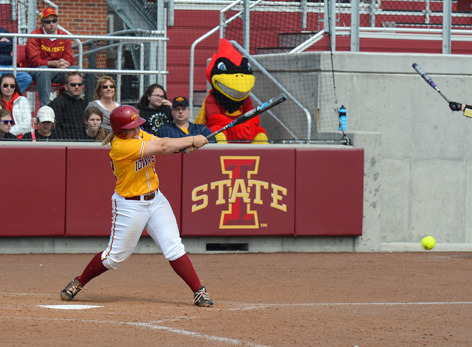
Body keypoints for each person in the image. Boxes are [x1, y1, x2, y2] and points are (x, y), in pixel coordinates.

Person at [59, 105, 213, 307]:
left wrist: (183, 146)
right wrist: (192, 139)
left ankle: (198, 291)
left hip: (156, 200)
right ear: (119, 131)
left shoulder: (139, 135)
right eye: (131, 128)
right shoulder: (121, 147)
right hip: (130, 206)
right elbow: (164, 147)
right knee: (114, 258)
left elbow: (161, 143)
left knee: (174, 247)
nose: (136, 130)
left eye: (136, 126)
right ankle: (79, 282)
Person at [25, 7, 75, 107]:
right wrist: (55, 63)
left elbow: (70, 58)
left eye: (54, 21)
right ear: (42, 23)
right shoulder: (35, 35)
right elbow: (35, 62)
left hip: (58, 71)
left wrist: (65, 64)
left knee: (76, 71)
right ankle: (45, 108)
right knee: (44, 71)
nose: (51, 24)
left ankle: (74, 105)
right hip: (35, 71)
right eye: (48, 21)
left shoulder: (64, 35)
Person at [48, 72, 86, 139]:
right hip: (64, 142)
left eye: (79, 84)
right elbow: (55, 127)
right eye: (73, 84)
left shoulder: (84, 103)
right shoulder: (57, 103)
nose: (77, 87)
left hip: (82, 141)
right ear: (66, 86)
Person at [0, 27, 33, 93]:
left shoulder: (3, 31)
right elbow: (6, 45)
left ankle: (11, 98)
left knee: (27, 78)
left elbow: (9, 45)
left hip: (10, 66)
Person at [0, 73, 33, 138]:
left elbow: (27, 124)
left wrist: (9, 132)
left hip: (22, 139)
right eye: (5, 85)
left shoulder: (23, 100)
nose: (9, 88)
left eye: (12, 86)